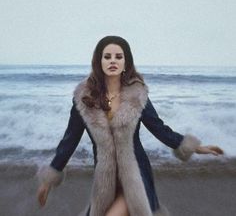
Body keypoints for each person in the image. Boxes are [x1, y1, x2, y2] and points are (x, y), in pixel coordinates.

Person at [37, 35, 223, 216]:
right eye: (107, 56)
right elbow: (70, 140)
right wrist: (49, 180)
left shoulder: (137, 94)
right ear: (99, 61)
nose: (113, 61)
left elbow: (159, 129)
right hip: (105, 180)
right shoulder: (85, 98)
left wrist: (195, 147)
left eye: (119, 56)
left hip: (136, 176)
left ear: (126, 62)